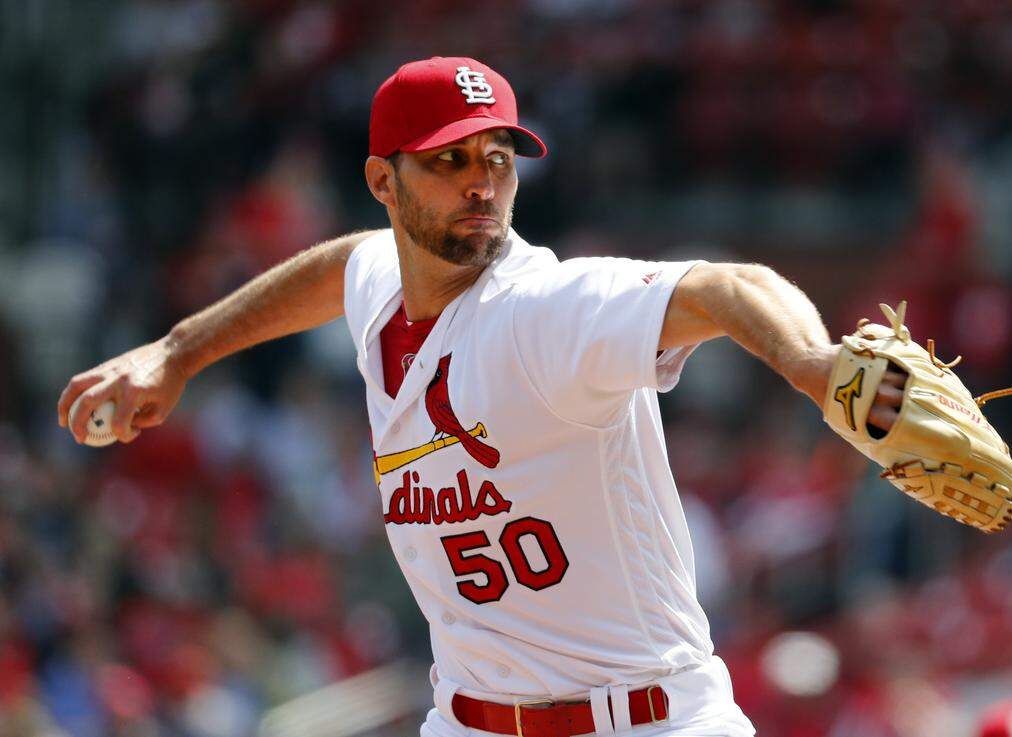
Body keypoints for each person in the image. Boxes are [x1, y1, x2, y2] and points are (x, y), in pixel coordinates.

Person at [59, 57, 903, 737]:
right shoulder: (384, 287)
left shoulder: (543, 311)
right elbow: (342, 266)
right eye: (448, 160)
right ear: (383, 183)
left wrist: (810, 361)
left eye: (497, 158)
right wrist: (178, 351)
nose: (481, 183)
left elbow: (728, 283)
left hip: (644, 719)